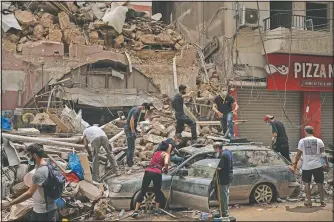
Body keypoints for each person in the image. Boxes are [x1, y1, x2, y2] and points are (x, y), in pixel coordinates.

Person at [2, 144, 57, 221]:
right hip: (38, 209)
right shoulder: (47, 165)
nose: (27, 157)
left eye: (28, 155)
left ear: (34, 155)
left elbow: (29, 193)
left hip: (45, 212)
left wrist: (9, 203)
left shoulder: (41, 172)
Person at [291, 126, 329, 208]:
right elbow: (323, 154)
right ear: (313, 131)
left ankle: (309, 202)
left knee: (307, 183)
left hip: (306, 166)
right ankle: (322, 201)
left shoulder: (302, 141)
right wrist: (326, 163)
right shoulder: (319, 141)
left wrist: (295, 163)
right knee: (320, 183)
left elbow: (298, 154)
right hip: (317, 165)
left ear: (305, 132)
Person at [131, 139, 171, 217]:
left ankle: (135, 211)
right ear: (166, 148)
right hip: (157, 173)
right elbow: (166, 163)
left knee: (143, 191)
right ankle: (156, 210)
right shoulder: (165, 154)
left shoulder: (155, 153)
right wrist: (166, 169)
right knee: (157, 191)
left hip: (148, 171)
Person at [125, 102, 152, 167]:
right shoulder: (137, 111)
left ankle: (128, 161)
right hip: (129, 130)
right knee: (131, 147)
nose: (144, 111)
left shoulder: (135, 108)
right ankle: (130, 163)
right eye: (145, 110)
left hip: (128, 128)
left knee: (130, 146)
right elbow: (131, 120)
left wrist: (135, 129)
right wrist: (133, 131)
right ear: (143, 107)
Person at [213, 142, 233, 218]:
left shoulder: (223, 155)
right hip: (229, 176)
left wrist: (212, 166)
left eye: (215, 149)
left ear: (218, 148)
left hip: (223, 178)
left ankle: (224, 213)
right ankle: (224, 211)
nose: (215, 151)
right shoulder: (228, 152)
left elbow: (219, 168)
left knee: (223, 196)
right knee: (226, 195)